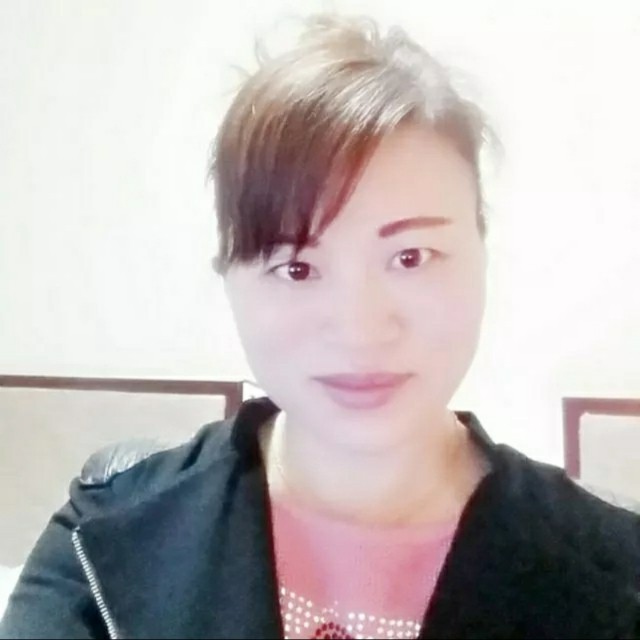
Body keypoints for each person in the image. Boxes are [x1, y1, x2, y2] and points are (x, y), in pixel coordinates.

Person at [2, 14, 639, 640]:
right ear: (229, 277)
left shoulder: (616, 575)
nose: (359, 330)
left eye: (411, 257)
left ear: (481, 253)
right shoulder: (107, 538)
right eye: (297, 267)